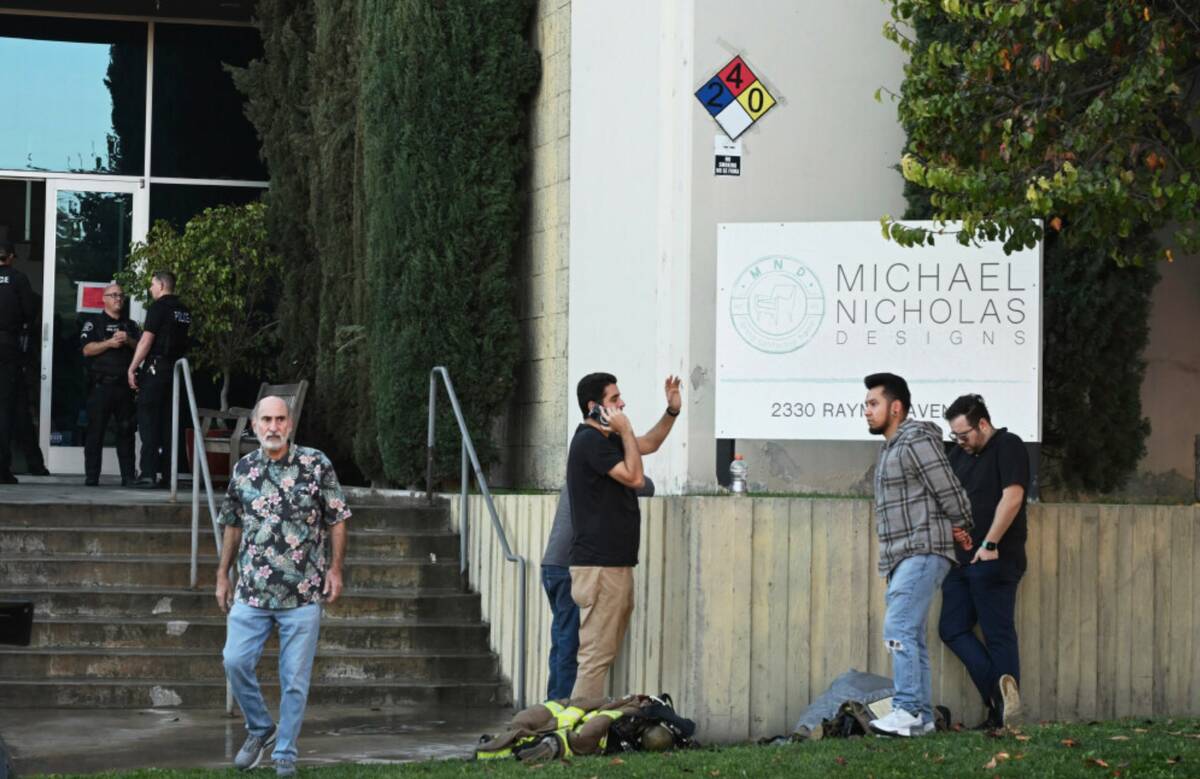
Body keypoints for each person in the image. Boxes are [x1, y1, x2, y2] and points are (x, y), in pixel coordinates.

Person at [216, 396, 350, 776]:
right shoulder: (243, 470)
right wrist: (222, 574)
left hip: (303, 592)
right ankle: (261, 729)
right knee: (234, 661)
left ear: (290, 425)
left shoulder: (315, 464)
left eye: (280, 420)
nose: (273, 427)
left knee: (294, 680)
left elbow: (337, 518)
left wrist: (335, 570)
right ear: (255, 426)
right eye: (266, 420)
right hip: (253, 592)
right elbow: (232, 523)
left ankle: (285, 754)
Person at [862, 372, 972, 738]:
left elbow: (948, 487)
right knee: (911, 633)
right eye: (865, 404)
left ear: (896, 408)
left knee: (898, 628)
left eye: (873, 403)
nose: (866, 410)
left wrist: (962, 524)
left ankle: (906, 708)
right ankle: (922, 717)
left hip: (922, 549)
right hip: (901, 555)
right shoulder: (892, 448)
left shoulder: (915, 441)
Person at [566, 372, 682, 698]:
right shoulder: (589, 442)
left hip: (614, 564)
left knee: (601, 654)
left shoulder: (606, 440)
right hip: (600, 567)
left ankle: (584, 726)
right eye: (615, 399)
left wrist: (672, 411)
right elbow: (634, 477)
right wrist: (626, 429)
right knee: (595, 656)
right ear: (593, 406)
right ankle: (579, 733)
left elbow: (650, 443)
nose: (622, 403)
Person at [939, 394, 1028, 728]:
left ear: (983, 424)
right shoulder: (960, 456)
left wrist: (990, 542)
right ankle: (1001, 699)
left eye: (964, 435)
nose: (959, 442)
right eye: (955, 436)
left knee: (998, 634)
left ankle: (1001, 716)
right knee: (950, 628)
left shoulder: (1008, 445)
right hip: (961, 561)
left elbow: (1013, 495)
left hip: (995, 558)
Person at [541, 475, 654, 701]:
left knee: (562, 642)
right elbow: (646, 486)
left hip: (553, 565)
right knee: (571, 645)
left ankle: (553, 704)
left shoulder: (580, 473)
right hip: (569, 568)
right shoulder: (604, 473)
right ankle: (563, 707)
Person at [127, 270, 191, 488]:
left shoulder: (158, 307)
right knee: (169, 423)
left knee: (148, 421)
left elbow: (146, 340)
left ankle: (148, 473)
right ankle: (168, 473)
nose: (150, 289)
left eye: (152, 284)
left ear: (162, 285)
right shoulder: (183, 310)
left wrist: (133, 367)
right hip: (176, 371)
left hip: (157, 368)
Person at [79, 283, 140, 486]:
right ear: (104, 299)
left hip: (124, 387)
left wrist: (129, 340)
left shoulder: (130, 325)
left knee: (126, 432)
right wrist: (108, 343)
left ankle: (128, 476)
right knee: (95, 433)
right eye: (113, 295)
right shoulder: (94, 322)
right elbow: (87, 349)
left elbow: (142, 348)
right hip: (101, 386)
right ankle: (92, 476)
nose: (118, 299)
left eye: (121, 296)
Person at [0, 240, 36, 485]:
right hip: (7, 348)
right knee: (5, 409)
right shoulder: (18, 279)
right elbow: (29, 313)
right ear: (11, 257)